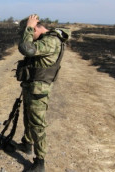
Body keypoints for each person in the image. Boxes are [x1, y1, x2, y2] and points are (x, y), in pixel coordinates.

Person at [15, 14, 70, 172]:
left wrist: (29, 26)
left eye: (31, 31)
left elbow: (26, 48)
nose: (29, 35)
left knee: (37, 124)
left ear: (37, 27)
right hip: (32, 86)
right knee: (27, 116)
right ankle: (27, 144)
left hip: (39, 90)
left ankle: (40, 161)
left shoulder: (51, 41)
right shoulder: (45, 39)